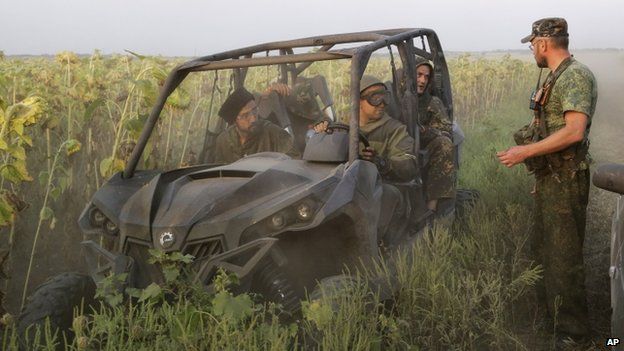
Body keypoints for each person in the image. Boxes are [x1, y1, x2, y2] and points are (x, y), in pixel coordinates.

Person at [497, 17, 598, 345]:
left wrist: (525, 152)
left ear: (543, 43)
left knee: (564, 259)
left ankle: (575, 335)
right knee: (545, 252)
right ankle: (553, 322)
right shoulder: (557, 76)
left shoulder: (576, 76)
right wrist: (541, 172)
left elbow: (574, 130)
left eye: (532, 44)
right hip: (552, 178)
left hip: (566, 179)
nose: (531, 50)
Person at [314, 75, 417, 243]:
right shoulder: (341, 127)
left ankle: (376, 247)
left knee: (387, 195)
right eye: (375, 98)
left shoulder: (395, 130)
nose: (382, 103)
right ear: (359, 101)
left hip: (381, 187)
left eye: (385, 97)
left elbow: (409, 164)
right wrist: (322, 135)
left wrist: (382, 163)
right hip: (345, 187)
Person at [413, 57, 456, 212]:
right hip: (398, 144)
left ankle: (432, 208)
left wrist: (424, 131)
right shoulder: (394, 98)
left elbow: (446, 131)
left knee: (444, 144)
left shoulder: (432, 102)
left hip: (424, 147)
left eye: (426, 77)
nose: (422, 80)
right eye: (418, 75)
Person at [214, 87, 299, 164]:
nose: (253, 119)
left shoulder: (273, 133)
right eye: (245, 115)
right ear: (234, 121)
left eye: (254, 111)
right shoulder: (223, 141)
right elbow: (219, 173)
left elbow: (295, 161)